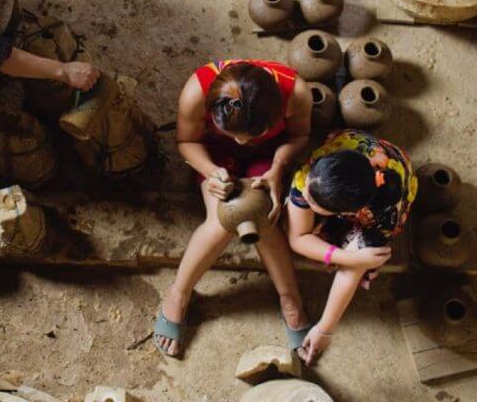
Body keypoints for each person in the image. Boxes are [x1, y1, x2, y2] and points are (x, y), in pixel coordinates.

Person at [153, 59, 312, 359]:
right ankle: (179, 292)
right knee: (223, 221)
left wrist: (278, 168)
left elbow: (298, 136)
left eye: (251, 133)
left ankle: (290, 300)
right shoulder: (197, 91)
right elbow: (186, 140)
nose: (242, 141)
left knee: (263, 216)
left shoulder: (296, 93)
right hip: (214, 154)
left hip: (267, 157)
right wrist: (211, 171)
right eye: (235, 133)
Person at [285, 130, 417, 366]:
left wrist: (324, 330)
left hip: (392, 179)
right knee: (302, 207)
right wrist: (347, 258)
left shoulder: (383, 212)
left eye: (315, 202)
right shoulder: (314, 177)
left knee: (365, 259)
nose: (305, 194)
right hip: (355, 156)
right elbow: (297, 238)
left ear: (346, 214)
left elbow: (358, 265)